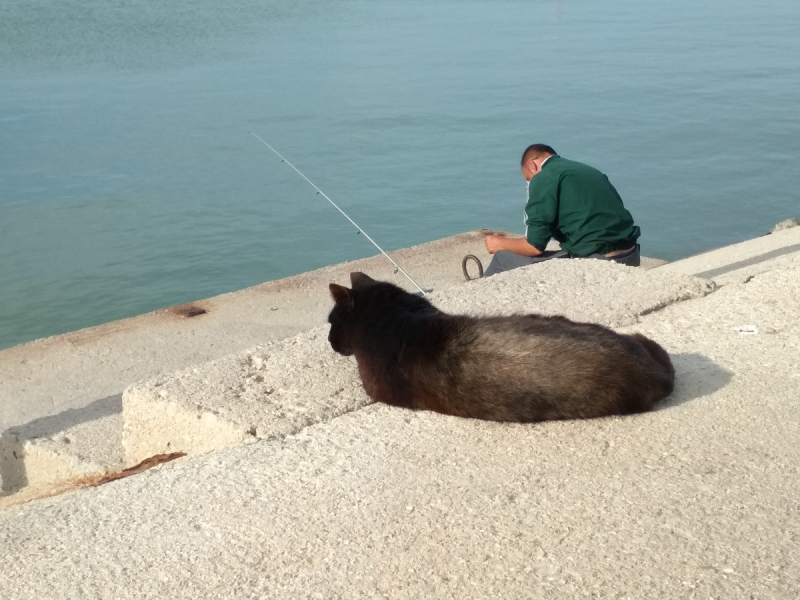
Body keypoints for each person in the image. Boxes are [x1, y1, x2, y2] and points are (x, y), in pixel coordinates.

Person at [482, 144, 641, 277]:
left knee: (502, 259)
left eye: (528, 179)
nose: (530, 183)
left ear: (532, 165)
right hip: (631, 255)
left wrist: (499, 243)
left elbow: (534, 246)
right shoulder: (588, 170)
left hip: (598, 260)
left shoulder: (544, 177)